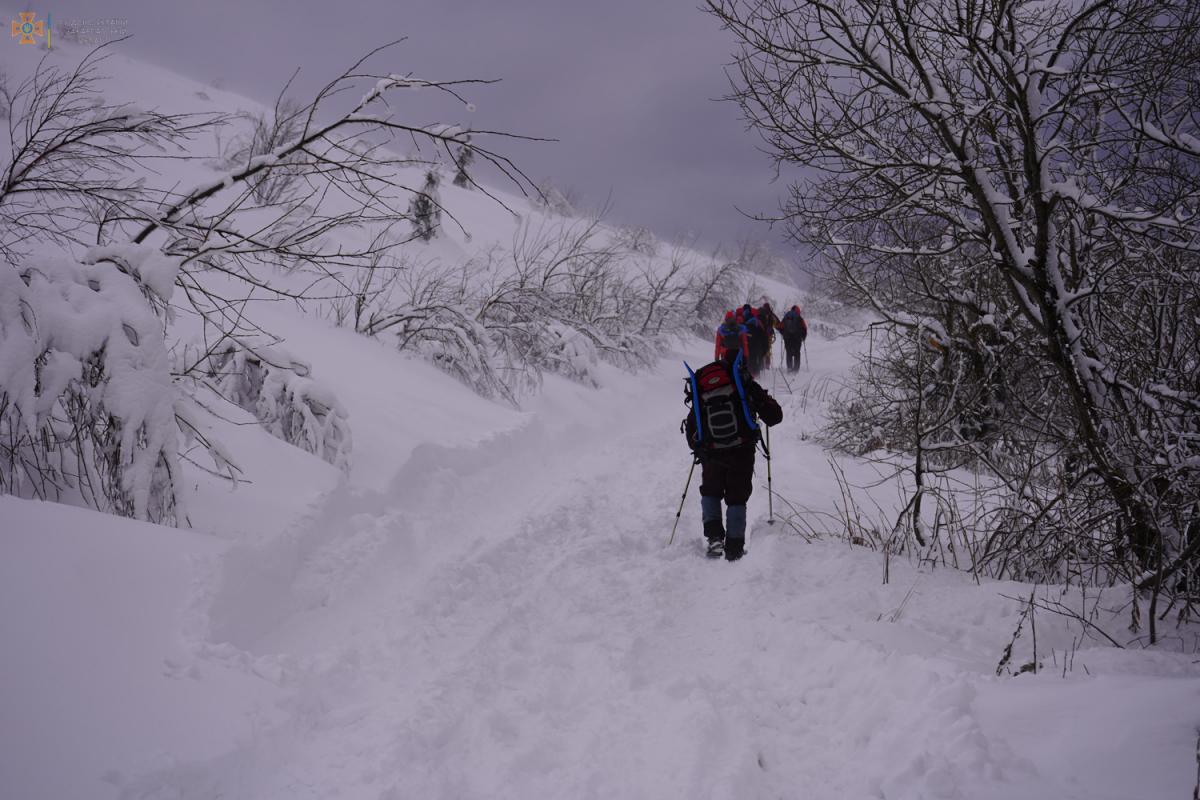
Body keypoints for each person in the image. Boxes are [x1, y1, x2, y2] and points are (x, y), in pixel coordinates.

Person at [684, 349, 783, 561]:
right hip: (741, 450)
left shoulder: (704, 384)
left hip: (711, 451)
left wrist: (700, 448)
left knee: (710, 491)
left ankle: (714, 540)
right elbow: (775, 417)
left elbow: (693, 425)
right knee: (737, 496)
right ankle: (735, 548)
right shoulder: (744, 383)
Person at [781, 305, 808, 373]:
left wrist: (784, 335)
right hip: (797, 338)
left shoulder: (786, 316)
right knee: (797, 353)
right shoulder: (799, 318)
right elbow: (804, 328)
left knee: (789, 353)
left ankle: (789, 368)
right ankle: (796, 369)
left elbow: (781, 326)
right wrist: (803, 337)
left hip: (787, 338)